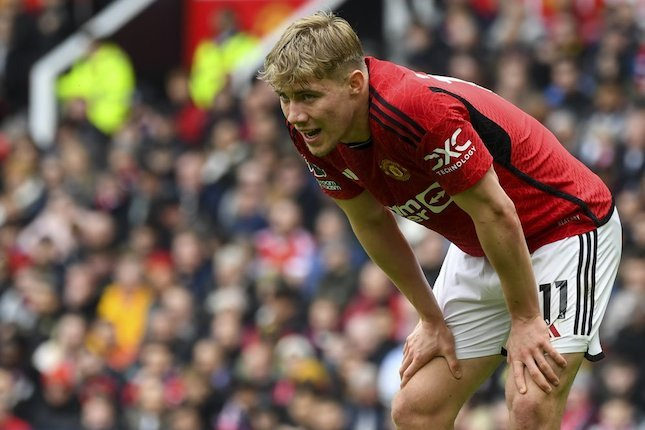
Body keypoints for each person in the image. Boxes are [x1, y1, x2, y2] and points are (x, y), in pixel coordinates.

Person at [258, 11, 622, 430]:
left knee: (530, 403)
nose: (294, 115)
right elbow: (371, 223)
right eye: (285, 98)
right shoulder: (314, 131)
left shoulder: (414, 109)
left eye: (307, 96)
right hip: (483, 241)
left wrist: (525, 319)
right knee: (415, 411)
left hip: (564, 228)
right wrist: (429, 316)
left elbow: (495, 210)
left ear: (355, 84)